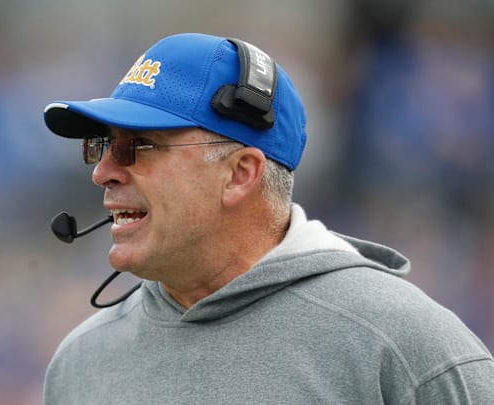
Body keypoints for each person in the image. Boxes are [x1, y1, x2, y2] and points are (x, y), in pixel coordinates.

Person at [40, 33, 494, 404]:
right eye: (100, 146)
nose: (102, 172)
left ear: (240, 175)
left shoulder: (400, 343)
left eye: (136, 146)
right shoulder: (80, 363)